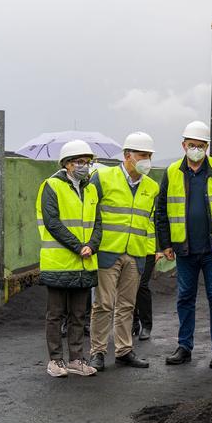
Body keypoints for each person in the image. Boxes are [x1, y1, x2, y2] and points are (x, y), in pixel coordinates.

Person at [155, 121, 212, 368]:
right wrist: (165, 243)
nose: (195, 149)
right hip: (184, 249)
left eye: (200, 146)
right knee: (185, 298)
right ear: (183, 145)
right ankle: (184, 346)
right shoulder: (172, 172)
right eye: (191, 145)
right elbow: (161, 210)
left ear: (207, 147)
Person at [87, 132, 158, 371]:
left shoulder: (151, 187)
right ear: (127, 156)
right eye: (142, 155)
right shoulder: (103, 177)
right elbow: (90, 212)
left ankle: (124, 350)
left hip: (136, 254)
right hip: (107, 251)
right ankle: (97, 351)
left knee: (127, 305)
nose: (146, 159)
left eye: (149, 155)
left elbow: (149, 221)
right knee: (104, 304)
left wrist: (151, 251)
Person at [36, 139, 102, 378]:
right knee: (55, 314)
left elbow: (98, 222)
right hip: (59, 261)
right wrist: (78, 246)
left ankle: (76, 359)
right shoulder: (51, 186)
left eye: (87, 162)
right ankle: (55, 360)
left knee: (78, 314)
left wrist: (92, 245)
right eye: (79, 162)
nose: (84, 166)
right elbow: (52, 222)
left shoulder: (91, 189)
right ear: (66, 164)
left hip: (84, 262)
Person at [132, 253, 155, 340]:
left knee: (142, 285)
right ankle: (134, 323)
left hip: (147, 251)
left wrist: (159, 250)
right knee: (129, 286)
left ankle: (146, 325)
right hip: (127, 250)